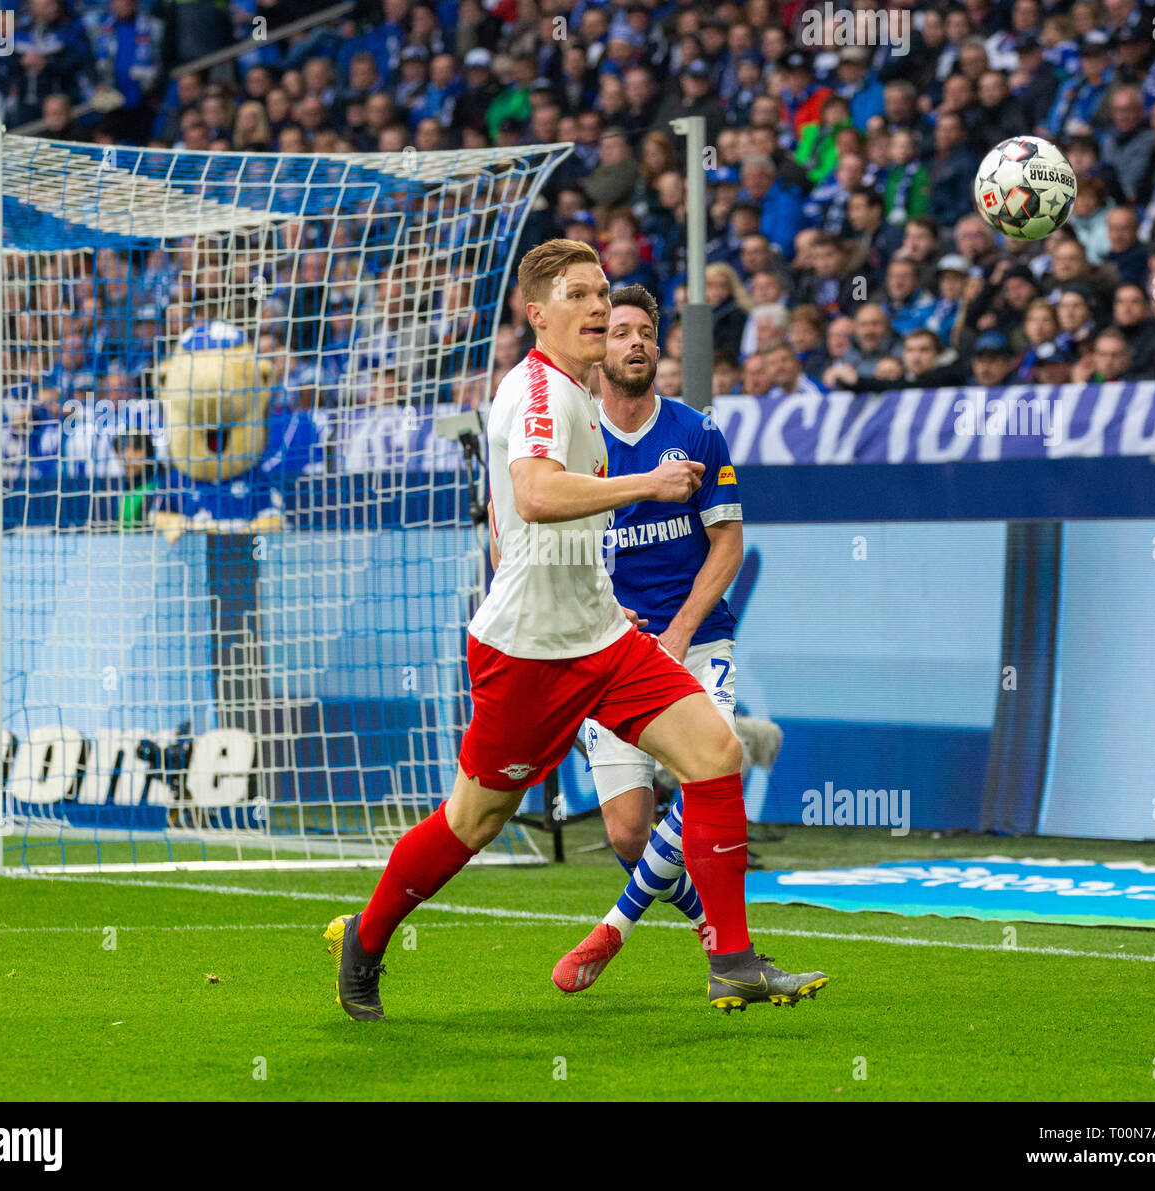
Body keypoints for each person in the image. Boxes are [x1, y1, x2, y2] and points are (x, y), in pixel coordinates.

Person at [324, 240, 828, 1020]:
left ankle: (731, 958)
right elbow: (532, 494)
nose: (598, 307)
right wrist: (650, 483)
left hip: (600, 634)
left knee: (716, 752)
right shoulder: (537, 392)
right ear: (537, 315)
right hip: (528, 653)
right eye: (579, 296)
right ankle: (367, 936)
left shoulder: (577, 392)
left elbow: (512, 518)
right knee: (476, 821)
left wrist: (590, 589)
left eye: (601, 292)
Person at [548, 285, 769, 993]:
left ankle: (617, 926)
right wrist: (607, 612)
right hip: (610, 650)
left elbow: (728, 545)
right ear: (598, 348)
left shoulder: (696, 431)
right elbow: (555, 546)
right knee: (625, 833)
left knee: (712, 767)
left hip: (697, 641)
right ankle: (721, 941)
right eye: (620, 333)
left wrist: (677, 632)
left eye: (647, 332)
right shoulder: (575, 442)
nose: (636, 343)